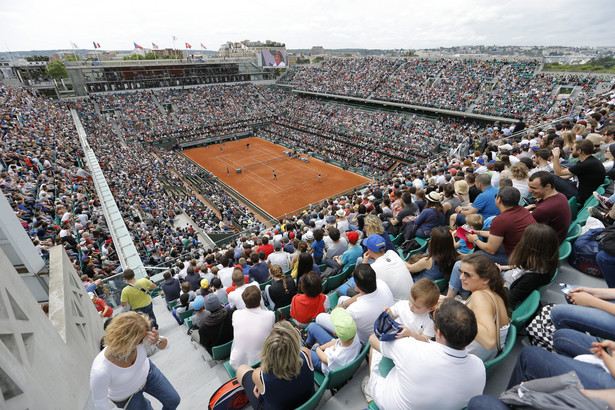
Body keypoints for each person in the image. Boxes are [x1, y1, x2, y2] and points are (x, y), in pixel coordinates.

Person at [363, 298, 485, 409]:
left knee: (377, 351)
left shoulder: (411, 348)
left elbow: (373, 339)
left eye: (432, 317)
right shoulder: (479, 367)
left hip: (389, 403)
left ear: (440, 333)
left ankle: (370, 388)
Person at [90, 312, 180, 410]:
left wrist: (157, 340)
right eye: (140, 340)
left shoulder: (141, 336)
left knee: (173, 400)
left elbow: (166, 345)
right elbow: (100, 402)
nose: (142, 342)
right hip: (126, 397)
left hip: (148, 374)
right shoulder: (100, 370)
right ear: (127, 341)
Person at [236, 322, 314, 410]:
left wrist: (259, 382)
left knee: (241, 369)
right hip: (307, 400)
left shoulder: (258, 375)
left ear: (268, 350)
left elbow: (261, 372)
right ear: (295, 344)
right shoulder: (306, 353)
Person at [316, 264, 395, 344]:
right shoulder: (381, 284)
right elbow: (362, 295)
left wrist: (335, 312)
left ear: (356, 286)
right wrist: (344, 304)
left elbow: (343, 321)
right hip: (379, 326)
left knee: (319, 317)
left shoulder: (355, 310)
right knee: (341, 299)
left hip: (361, 340)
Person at [456, 253, 510, 361]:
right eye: (460, 272)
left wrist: (454, 311)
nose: (461, 277)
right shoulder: (494, 293)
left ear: (485, 280)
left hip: (465, 359)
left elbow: (489, 341)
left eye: (467, 274)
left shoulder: (479, 296)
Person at [465, 186, 536, 265]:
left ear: (499, 200)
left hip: (517, 259)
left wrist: (475, 240)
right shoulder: (522, 210)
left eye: (496, 196)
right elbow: (497, 234)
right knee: (487, 230)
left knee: (476, 256)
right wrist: (478, 233)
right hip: (526, 252)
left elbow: (491, 250)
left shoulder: (501, 220)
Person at [497, 223, 559, 308]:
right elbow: (521, 267)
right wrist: (500, 268)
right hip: (509, 277)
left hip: (505, 289)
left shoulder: (532, 278)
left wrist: (499, 278)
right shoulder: (544, 261)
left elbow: (509, 299)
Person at [303, 307, 362, 376]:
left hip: (323, 364)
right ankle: (308, 344)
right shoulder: (354, 336)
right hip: (334, 351)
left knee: (301, 350)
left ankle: (307, 348)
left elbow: (324, 359)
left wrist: (317, 347)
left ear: (335, 334)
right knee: (312, 326)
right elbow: (336, 341)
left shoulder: (336, 356)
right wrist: (321, 347)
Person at [229, 286, 275, 370]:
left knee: (236, 339)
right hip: (262, 361)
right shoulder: (270, 315)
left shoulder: (236, 314)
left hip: (238, 365)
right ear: (260, 299)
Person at [384, 278, 439, 342]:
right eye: (410, 300)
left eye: (417, 307)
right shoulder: (402, 304)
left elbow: (425, 340)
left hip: (410, 345)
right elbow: (392, 316)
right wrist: (388, 312)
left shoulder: (429, 322)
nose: (411, 306)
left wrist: (410, 333)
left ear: (430, 308)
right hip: (392, 337)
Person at [552, 139, 606, 204]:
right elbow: (566, 175)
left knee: (550, 177)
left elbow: (558, 172)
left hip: (582, 196)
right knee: (551, 176)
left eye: (572, 149)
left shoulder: (586, 164)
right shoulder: (587, 161)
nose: (571, 151)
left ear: (579, 151)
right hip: (580, 188)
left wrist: (556, 156)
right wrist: (558, 179)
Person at [363, 234, 413, 301]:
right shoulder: (392, 253)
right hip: (412, 296)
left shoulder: (373, 268)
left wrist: (364, 263)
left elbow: (363, 285)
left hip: (399, 305)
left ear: (369, 250)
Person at [526, 171, 571, 243]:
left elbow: (523, 230)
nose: (530, 190)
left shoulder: (543, 210)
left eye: (534, 188)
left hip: (545, 248)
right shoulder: (561, 196)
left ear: (547, 186)